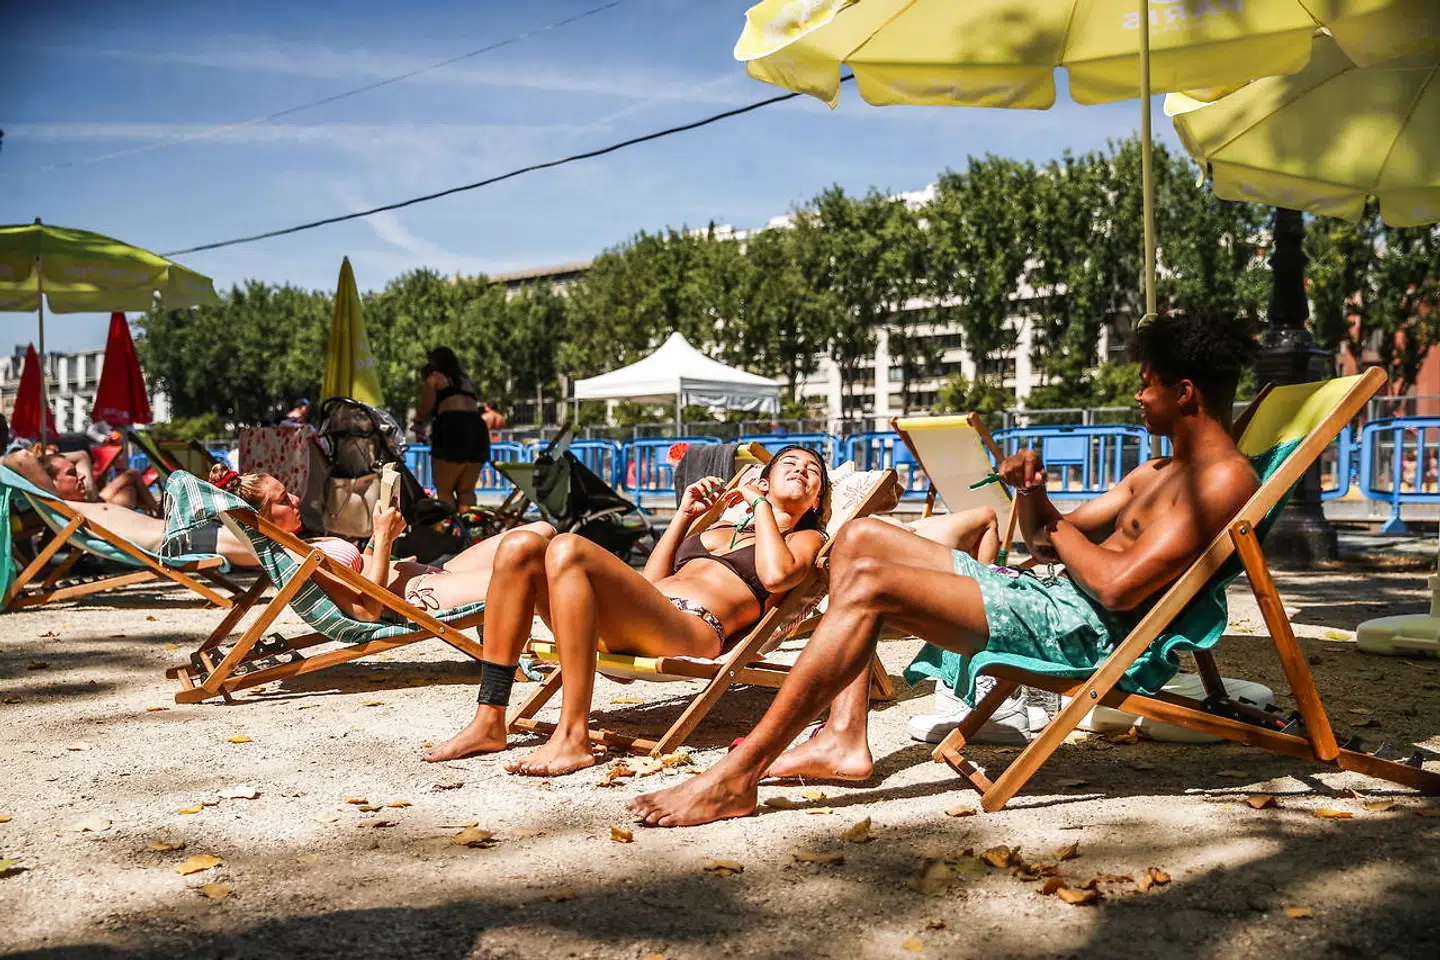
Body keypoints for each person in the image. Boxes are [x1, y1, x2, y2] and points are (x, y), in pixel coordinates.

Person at [630, 312, 1261, 826]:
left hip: (1080, 630)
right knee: (859, 539)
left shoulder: (1223, 479)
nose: (1137, 394)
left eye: (1147, 382)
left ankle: (737, 778)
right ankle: (843, 736)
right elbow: (1045, 544)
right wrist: (1034, 493)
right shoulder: (1153, 472)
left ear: (1184, 393)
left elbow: (1118, 584)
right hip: (1047, 596)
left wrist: (1057, 527)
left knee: (872, 584)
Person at [423, 445, 834, 773]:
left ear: (816, 499)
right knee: (520, 546)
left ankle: (572, 736)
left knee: (566, 545)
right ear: (763, 482)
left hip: (691, 629)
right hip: (644, 615)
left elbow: (778, 578)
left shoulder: (808, 538)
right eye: (790, 463)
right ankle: (489, 720)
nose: (801, 469)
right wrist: (684, 517)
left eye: (812, 470)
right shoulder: (718, 527)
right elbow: (649, 585)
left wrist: (760, 508)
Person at [208, 464, 555, 622]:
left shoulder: (302, 543)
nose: (296, 499)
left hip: (431, 575)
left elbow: (362, 568)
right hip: (419, 596)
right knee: (536, 566)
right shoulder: (299, 561)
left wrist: (378, 533)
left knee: (540, 530)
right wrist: (385, 540)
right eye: (284, 500)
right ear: (266, 520)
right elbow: (365, 610)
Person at [0, 449, 260, 568]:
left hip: (182, 530)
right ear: (52, 482)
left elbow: (81, 454)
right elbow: (19, 458)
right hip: (175, 541)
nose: (80, 475)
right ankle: (299, 568)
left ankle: (298, 562)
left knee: (262, 541)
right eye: (70, 474)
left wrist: (54, 457)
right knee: (263, 549)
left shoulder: (86, 503)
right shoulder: (60, 505)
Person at [416, 347, 488, 510]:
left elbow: (425, 408)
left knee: (445, 491)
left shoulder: (434, 379)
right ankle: (471, 529)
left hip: (452, 428)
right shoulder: (465, 381)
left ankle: (451, 531)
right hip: (477, 428)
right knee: (466, 490)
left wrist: (418, 422)